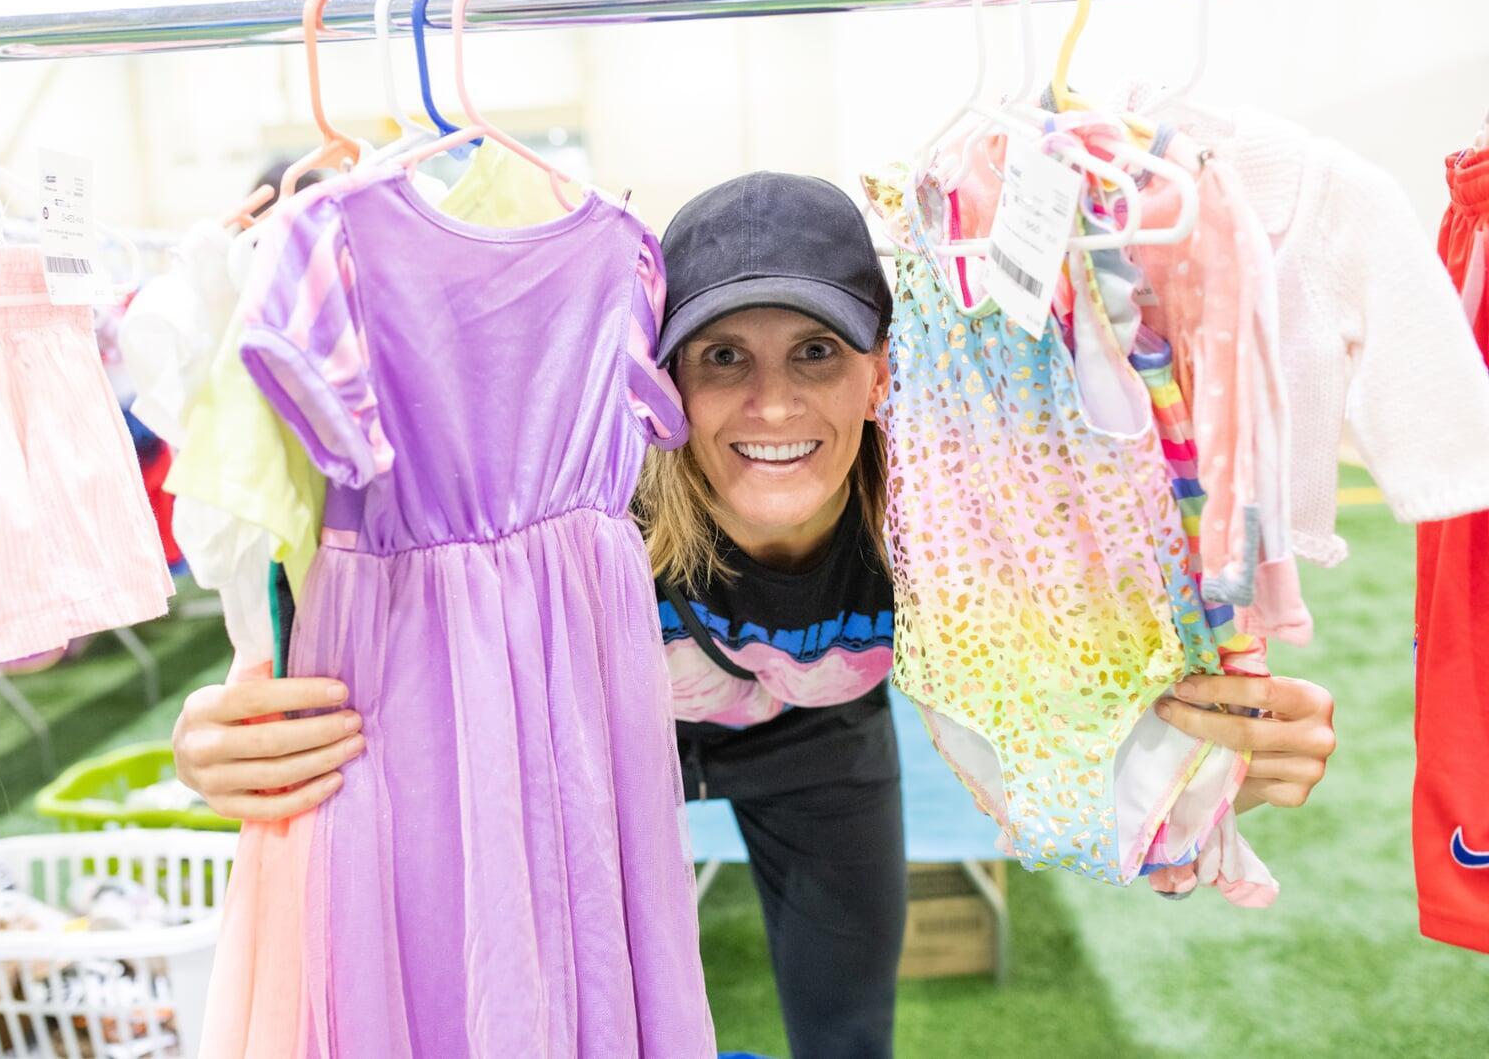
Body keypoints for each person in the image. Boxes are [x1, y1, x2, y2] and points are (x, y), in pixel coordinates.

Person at [173, 172, 1338, 1058]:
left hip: (819, 754)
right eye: (720, 354)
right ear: (655, 378)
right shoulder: (587, 505)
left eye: (817, 351)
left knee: (846, 1029)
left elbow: (1112, 654)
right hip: (594, 751)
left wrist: (1239, 728)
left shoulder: (940, 518)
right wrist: (219, 722)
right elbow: (351, 632)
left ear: (881, 372)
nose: (770, 401)